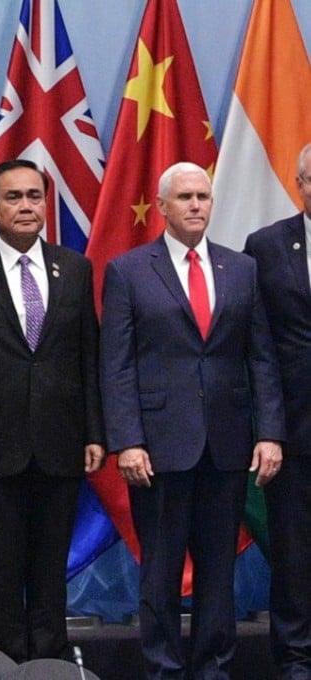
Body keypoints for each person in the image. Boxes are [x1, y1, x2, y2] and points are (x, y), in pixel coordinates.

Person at [100, 162, 284, 679]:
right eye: (185, 198)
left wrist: (269, 432)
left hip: (226, 445)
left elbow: (262, 358)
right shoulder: (129, 270)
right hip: (158, 448)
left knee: (217, 571)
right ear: (161, 207)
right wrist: (127, 441)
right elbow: (116, 364)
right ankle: (163, 667)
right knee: (159, 569)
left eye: (203, 196)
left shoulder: (240, 269)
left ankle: (213, 667)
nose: (197, 206)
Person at [0, 159, 104, 662]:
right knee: (2, 570)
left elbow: (88, 357)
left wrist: (95, 434)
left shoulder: (74, 268)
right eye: (13, 197)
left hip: (61, 442)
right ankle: (1, 665)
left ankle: (51, 665)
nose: (27, 206)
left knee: (50, 571)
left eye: (35, 196)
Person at [243, 142, 311, 678]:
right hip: (293, 429)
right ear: (300, 184)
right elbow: (259, 348)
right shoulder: (265, 246)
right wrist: (269, 428)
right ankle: (294, 660)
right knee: (293, 554)